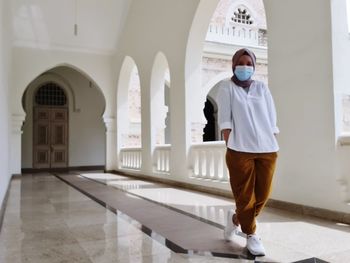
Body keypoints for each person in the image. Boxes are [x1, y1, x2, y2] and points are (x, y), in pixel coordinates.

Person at [217, 48, 279, 256]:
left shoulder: (262, 88)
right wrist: (230, 142)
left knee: (263, 193)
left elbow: (271, 117)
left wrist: (273, 135)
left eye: (249, 63)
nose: (245, 67)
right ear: (234, 65)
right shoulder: (227, 87)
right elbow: (225, 118)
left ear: (254, 66)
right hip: (239, 148)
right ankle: (251, 235)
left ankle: (236, 219)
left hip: (267, 148)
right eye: (241, 63)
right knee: (244, 196)